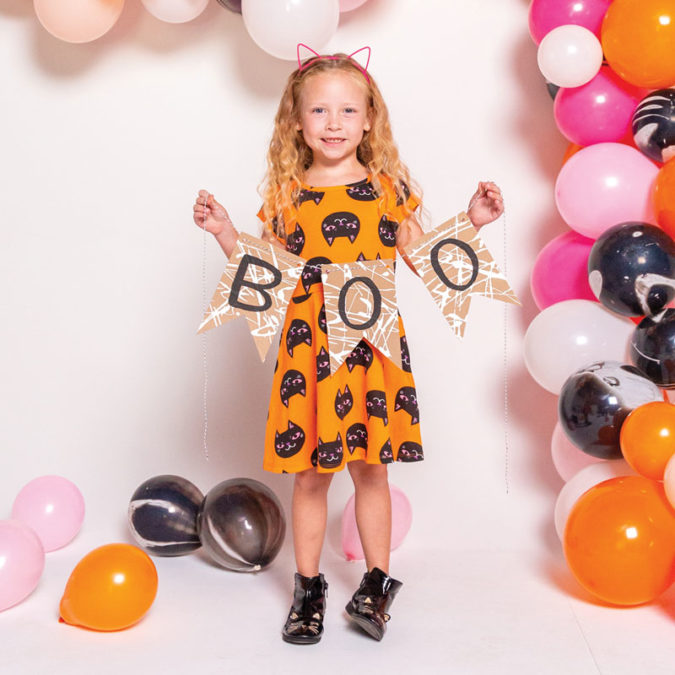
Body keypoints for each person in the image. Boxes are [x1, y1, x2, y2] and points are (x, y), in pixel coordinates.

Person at [192, 48, 504, 645]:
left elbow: (423, 259)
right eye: (319, 110)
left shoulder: (388, 189)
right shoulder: (286, 197)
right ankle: (308, 588)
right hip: (310, 352)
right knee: (311, 474)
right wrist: (227, 232)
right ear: (297, 123)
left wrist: (473, 221)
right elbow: (269, 273)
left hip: (371, 350)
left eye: (346, 110)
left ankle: (378, 584)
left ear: (368, 121)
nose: (333, 122)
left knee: (371, 468)